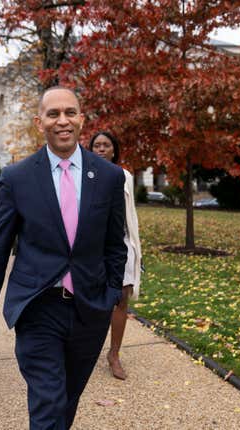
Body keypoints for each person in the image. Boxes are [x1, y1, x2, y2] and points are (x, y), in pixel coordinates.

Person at [0, 87, 127, 429]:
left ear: (82, 119)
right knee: (48, 402)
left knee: (66, 401)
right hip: (38, 306)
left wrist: (111, 292)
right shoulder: (17, 178)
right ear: (39, 121)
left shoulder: (109, 177)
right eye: (53, 114)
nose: (63, 121)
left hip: (90, 307)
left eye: (70, 112)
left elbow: (116, 244)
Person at [89, 131, 142, 380]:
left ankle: (114, 354)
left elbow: (131, 214)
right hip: (93, 245)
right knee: (92, 298)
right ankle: (84, 350)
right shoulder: (83, 176)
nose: (101, 149)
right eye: (96, 145)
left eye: (106, 145)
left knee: (122, 297)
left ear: (114, 150)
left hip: (121, 243)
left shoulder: (125, 176)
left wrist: (135, 248)